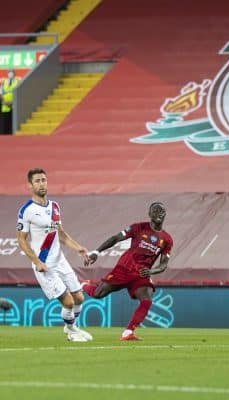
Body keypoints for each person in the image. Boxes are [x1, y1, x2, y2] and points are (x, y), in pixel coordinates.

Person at [16, 168, 93, 341]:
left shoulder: (55, 206)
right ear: (30, 185)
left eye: (44, 180)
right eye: (37, 181)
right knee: (68, 302)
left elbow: (61, 233)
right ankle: (72, 333)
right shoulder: (26, 210)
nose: (42, 183)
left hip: (60, 261)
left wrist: (78, 247)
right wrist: (36, 261)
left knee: (79, 297)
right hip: (44, 265)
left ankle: (71, 327)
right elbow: (21, 239)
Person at [83, 202, 173, 341]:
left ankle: (128, 332)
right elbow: (115, 238)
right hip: (124, 268)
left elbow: (163, 265)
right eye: (155, 211)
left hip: (141, 274)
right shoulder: (138, 227)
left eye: (161, 211)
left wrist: (152, 272)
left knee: (146, 300)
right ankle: (84, 285)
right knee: (97, 294)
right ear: (149, 214)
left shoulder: (167, 240)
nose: (158, 213)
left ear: (165, 214)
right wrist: (96, 252)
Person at [0, 68, 20, 134]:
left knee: (12, 124)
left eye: (12, 72)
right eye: (9, 72)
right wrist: (4, 102)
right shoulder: (3, 82)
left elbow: (19, 94)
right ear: (7, 74)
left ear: (14, 73)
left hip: (14, 106)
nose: (10, 73)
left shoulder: (18, 82)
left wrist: (12, 103)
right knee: (4, 124)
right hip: (5, 106)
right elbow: (1, 94)